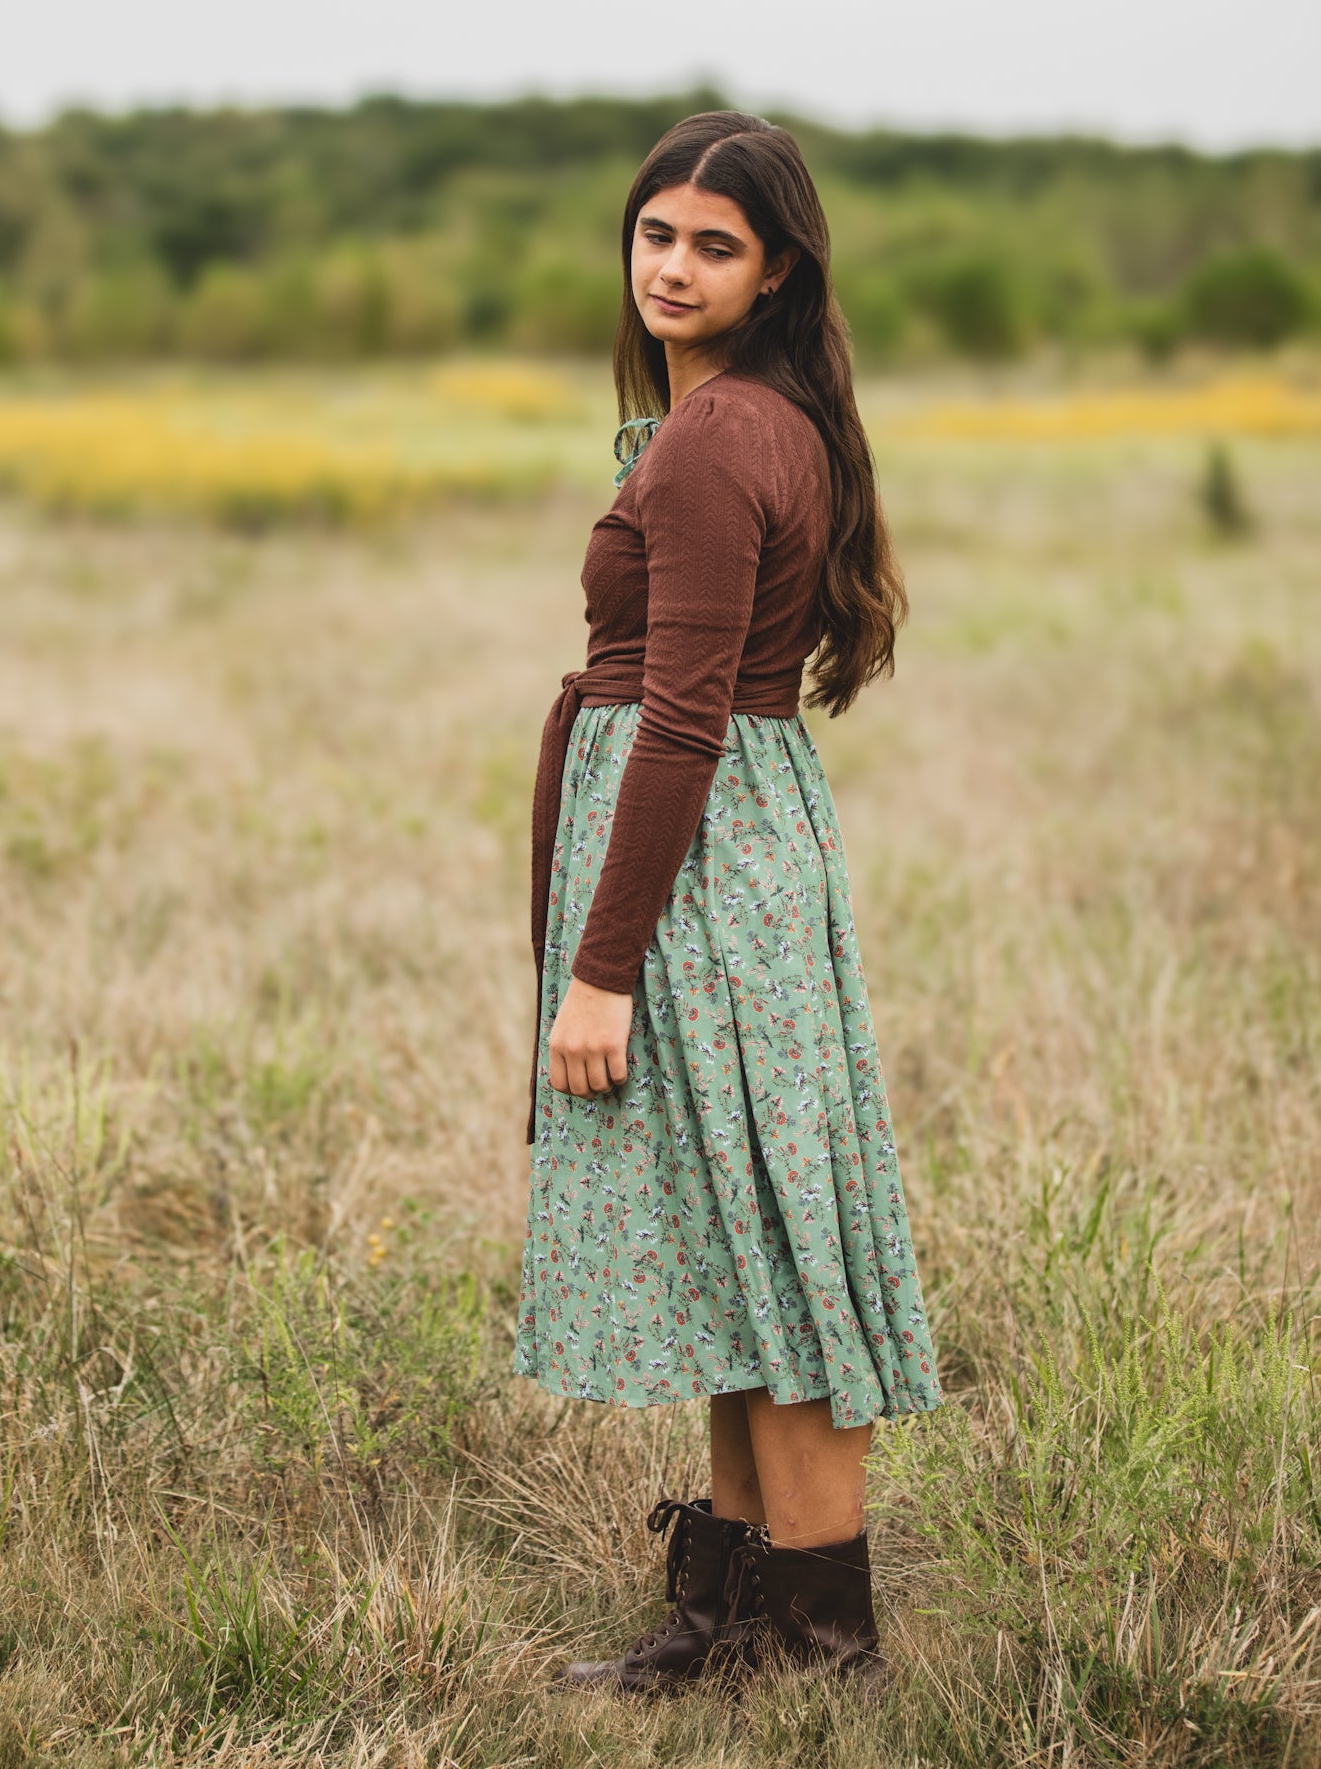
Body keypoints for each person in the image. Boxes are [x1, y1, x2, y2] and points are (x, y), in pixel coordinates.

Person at [514, 110, 943, 1693]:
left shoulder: (713, 442)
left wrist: (601, 970)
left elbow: (681, 718)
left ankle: (818, 1645)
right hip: (737, 860)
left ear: (774, 275)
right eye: (655, 234)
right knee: (737, 1238)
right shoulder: (756, 420)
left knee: (767, 1246)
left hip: (698, 883)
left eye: (715, 246)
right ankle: (730, 1622)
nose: (673, 268)